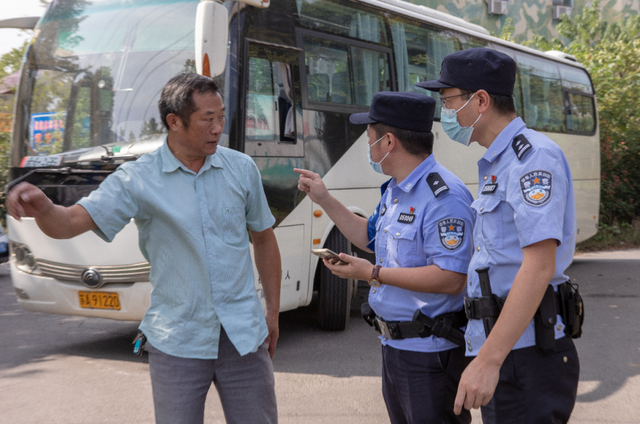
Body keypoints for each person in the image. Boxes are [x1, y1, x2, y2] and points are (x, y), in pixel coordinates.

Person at [7, 73, 281, 424]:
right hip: (177, 340)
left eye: (221, 117)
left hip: (244, 336)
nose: (218, 128)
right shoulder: (137, 179)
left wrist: (271, 311)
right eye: (207, 119)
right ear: (174, 122)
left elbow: (264, 237)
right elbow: (71, 222)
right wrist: (44, 207)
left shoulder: (241, 169)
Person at [416, 47, 580, 423]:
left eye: (448, 100)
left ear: (481, 100)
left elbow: (538, 267)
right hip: (505, 347)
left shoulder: (532, 159)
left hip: (524, 353)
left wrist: (490, 360)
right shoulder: (499, 162)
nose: (445, 112)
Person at [295, 91, 475, 424]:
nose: (369, 148)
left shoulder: (444, 197)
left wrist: (373, 273)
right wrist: (325, 199)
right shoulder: (395, 188)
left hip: (430, 355)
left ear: (389, 142)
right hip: (394, 349)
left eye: (370, 140)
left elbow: (451, 279)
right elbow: (370, 238)